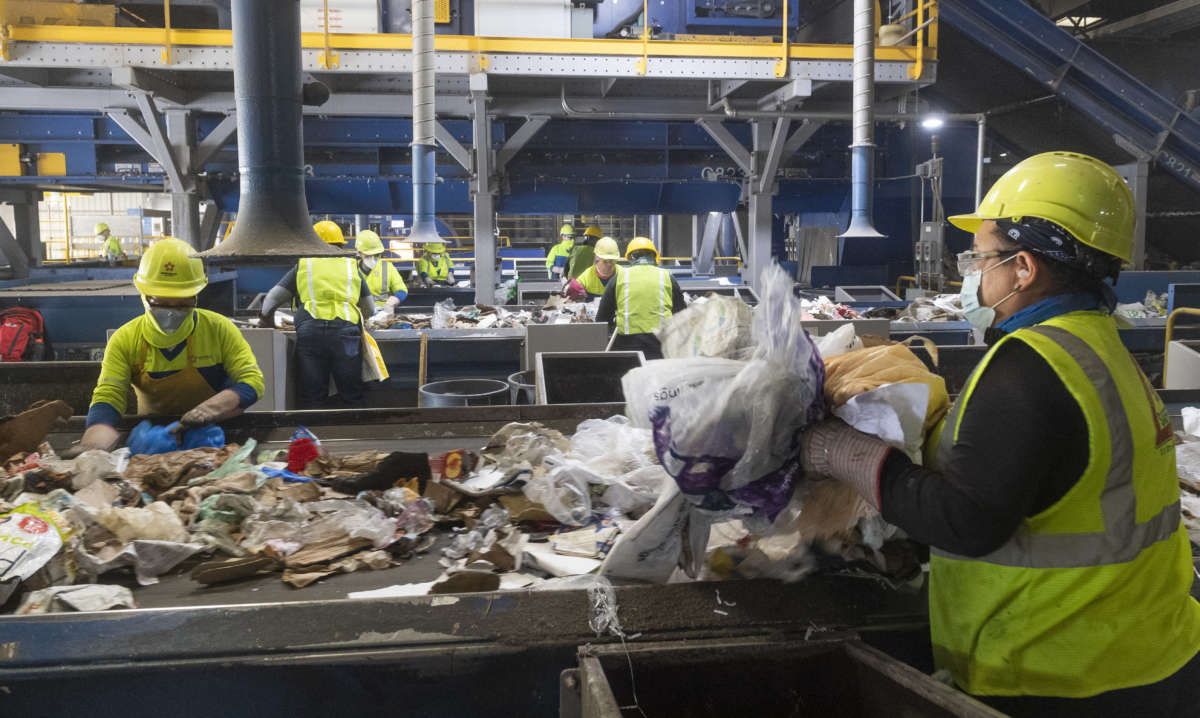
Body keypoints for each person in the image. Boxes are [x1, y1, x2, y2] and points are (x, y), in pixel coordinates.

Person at [801, 152, 1200, 717]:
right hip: (1145, 651)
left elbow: (967, 521)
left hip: (1060, 671)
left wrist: (845, 453)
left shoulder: (1029, 364)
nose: (971, 274)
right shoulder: (1100, 346)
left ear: (1023, 268)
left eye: (979, 257)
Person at [70, 238, 265, 456]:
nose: (171, 312)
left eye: (182, 304)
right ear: (144, 296)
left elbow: (252, 382)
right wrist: (93, 447)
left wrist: (206, 411)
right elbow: (109, 396)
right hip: (151, 446)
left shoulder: (219, 329)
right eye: (160, 303)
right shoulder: (125, 339)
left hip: (212, 443)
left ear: (196, 297)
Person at [260, 222, 375, 409]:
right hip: (346, 333)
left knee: (313, 394)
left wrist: (266, 322)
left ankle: (315, 435)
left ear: (311, 243)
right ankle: (353, 432)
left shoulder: (304, 266)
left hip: (310, 332)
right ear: (340, 244)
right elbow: (370, 309)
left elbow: (270, 301)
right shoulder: (351, 267)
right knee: (351, 393)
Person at [595, 237, 685, 360]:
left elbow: (602, 318)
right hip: (661, 344)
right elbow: (681, 314)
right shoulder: (666, 276)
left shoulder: (620, 277)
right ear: (654, 256)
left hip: (628, 345)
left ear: (630, 257)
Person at [354, 229, 408, 313]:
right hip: (359, 315)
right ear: (359, 253)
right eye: (368, 256)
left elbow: (402, 290)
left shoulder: (387, 267)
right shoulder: (352, 268)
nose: (372, 259)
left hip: (382, 313)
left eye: (376, 255)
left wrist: (392, 302)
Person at [567, 236, 622, 300]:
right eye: (605, 261)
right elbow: (571, 299)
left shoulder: (623, 275)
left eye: (612, 261)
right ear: (596, 259)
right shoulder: (586, 277)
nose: (609, 264)